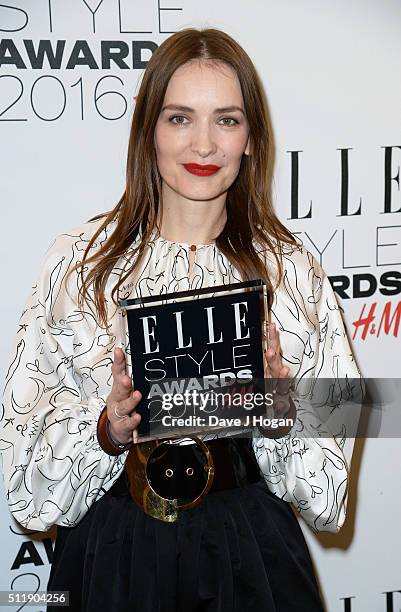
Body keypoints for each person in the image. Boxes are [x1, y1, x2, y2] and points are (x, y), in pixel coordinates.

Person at [1, 27, 362, 612]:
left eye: (226, 119)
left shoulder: (299, 274)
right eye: (178, 118)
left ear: (251, 138)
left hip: (254, 561)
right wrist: (107, 430)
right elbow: (26, 495)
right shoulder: (75, 263)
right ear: (148, 130)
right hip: (109, 558)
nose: (203, 145)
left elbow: (330, 498)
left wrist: (278, 411)